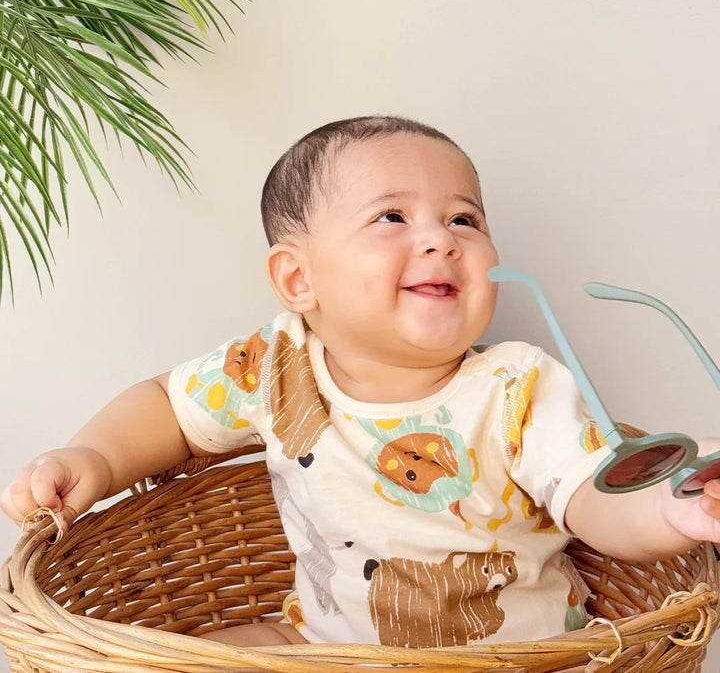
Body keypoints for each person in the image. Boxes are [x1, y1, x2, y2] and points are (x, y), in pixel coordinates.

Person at [2, 115, 719, 649]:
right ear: (299, 279)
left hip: (516, 660)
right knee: (196, 659)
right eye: (392, 216)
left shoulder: (517, 385)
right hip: (327, 649)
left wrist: (671, 509)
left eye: (464, 218)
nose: (441, 238)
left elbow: (593, 496)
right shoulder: (273, 365)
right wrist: (94, 456)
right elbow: (167, 406)